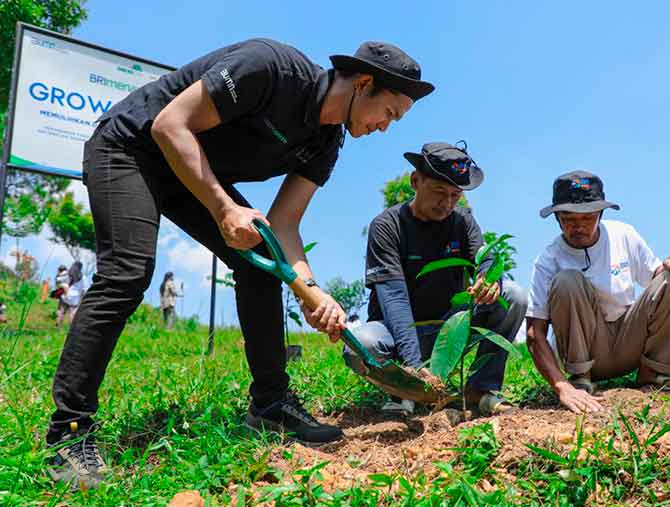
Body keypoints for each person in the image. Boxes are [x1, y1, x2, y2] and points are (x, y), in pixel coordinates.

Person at [46, 39, 434, 489]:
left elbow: (284, 226)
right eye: (390, 113)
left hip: (187, 174)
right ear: (364, 83)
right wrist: (223, 208)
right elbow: (170, 125)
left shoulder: (325, 143)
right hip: (131, 147)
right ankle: (68, 433)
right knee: (128, 272)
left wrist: (312, 293)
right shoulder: (270, 69)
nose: (386, 127)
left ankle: (271, 408)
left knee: (260, 261)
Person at [345, 142, 527, 416]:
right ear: (415, 181)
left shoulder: (463, 221)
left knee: (513, 296)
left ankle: (480, 389)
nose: (447, 203)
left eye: (456, 195)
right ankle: (403, 392)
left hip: (449, 330)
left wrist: (490, 278)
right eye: (439, 192)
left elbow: (485, 257)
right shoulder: (387, 226)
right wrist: (414, 366)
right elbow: (393, 298)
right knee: (361, 345)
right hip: (397, 334)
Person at [525, 171, 670, 415]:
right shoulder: (548, 260)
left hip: (630, 340)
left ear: (600, 214)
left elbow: (658, 280)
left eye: (587, 218)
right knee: (567, 281)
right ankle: (581, 379)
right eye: (569, 219)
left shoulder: (623, 234)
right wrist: (562, 387)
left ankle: (655, 374)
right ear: (557, 218)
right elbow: (534, 333)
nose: (578, 227)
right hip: (587, 351)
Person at [56, 262, 85, 327]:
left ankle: (58, 327)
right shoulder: (83, 277)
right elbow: (84, 290)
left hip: (65, 296)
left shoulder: (67, 273)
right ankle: (70, 330)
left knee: (61, 312)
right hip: (74, 300)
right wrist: (81, 299)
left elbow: (58, 280)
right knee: (72, 315)